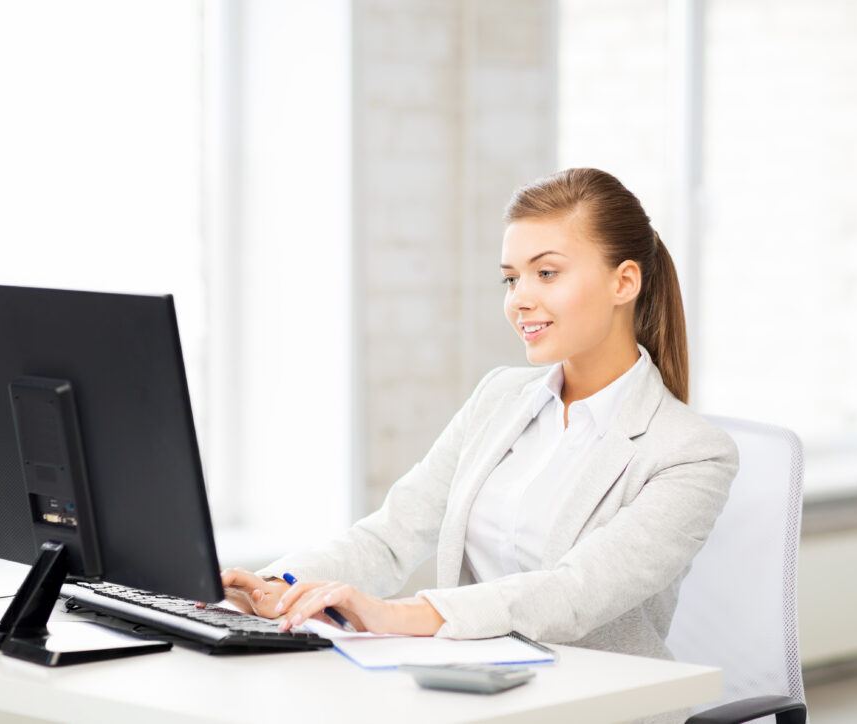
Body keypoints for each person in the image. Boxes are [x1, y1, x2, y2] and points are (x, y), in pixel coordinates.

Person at [220, 167, 738, 663]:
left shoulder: (691, 452)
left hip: (596, 700)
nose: (520, 300)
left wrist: (393, 614)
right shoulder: (499, 397)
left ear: (623, 282)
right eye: (511, 279)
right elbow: (392, 535)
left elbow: (573, 592)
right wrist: (276, 586)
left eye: (546, 273)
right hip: (467, 686)